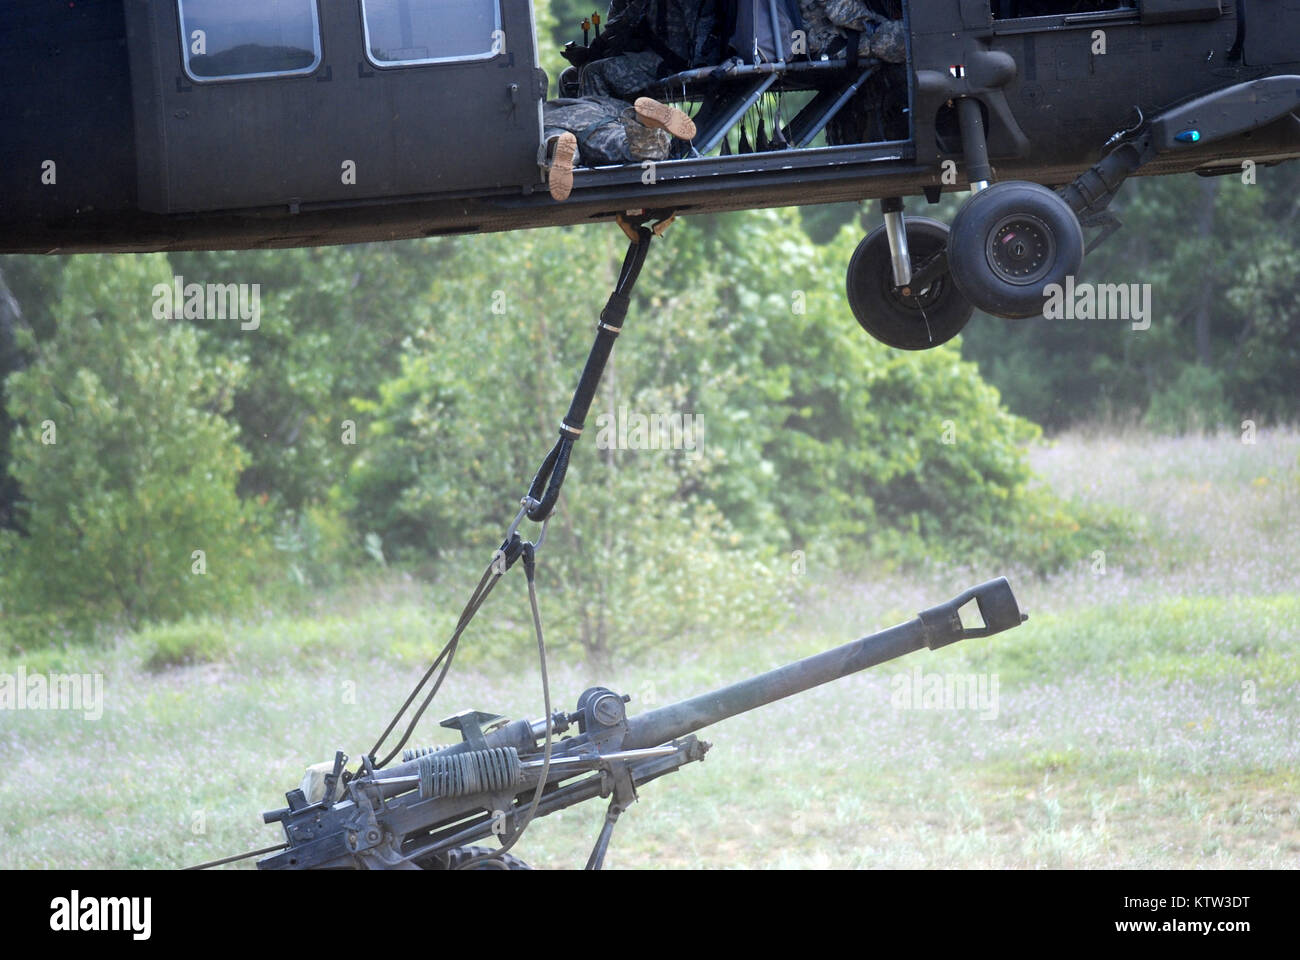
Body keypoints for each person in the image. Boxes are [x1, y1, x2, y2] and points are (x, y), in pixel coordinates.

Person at [542, 95, 697, 201]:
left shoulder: (539, 112)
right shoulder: (582, 99)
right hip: (597, 115)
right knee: (624, 144)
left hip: (554, 124)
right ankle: (642, 123)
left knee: (551, 141)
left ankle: (558, 147)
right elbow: (619, 109)